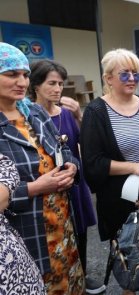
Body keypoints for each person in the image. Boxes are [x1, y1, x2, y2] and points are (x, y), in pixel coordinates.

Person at [0, 42, 85, 293]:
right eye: (11, 74)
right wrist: (34, 188)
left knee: (70, 285)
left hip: (62, 227)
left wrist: (71, 167)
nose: (22, 82)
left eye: (25, 75)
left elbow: (64, 150)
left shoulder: (34, 112)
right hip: (27, 233)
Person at [80, 48, 139, 295]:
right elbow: (92, 163)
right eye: (125, 75)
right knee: (128, 255)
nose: (132, 79)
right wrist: (134, 167)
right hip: (119, 199)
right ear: (108, 79)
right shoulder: (96, 112)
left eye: (136, 74)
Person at [28, 59, 105, 295]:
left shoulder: (67, 113)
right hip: (50, 187)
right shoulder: (30, 116)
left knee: (80, 233)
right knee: (53, 242)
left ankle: (80, 277)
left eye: (60, 83)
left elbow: (83, 143)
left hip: (75, 181)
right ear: (36, 85)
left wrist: (80, 114)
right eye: (51, 83)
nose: (58, 89)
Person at [0, 153, 46, 295]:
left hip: (20, 271)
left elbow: (5, 167)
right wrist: (35, 187)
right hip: (27, 224)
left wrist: (72, 165)